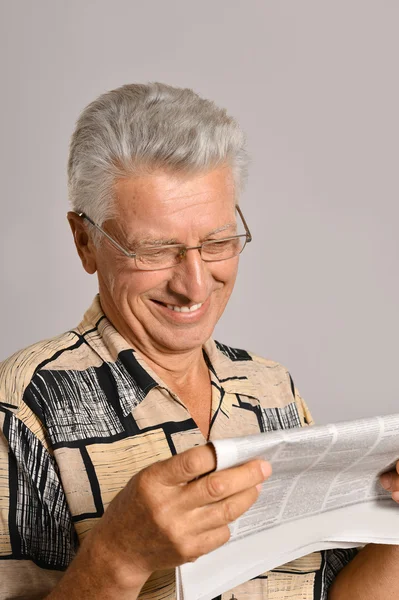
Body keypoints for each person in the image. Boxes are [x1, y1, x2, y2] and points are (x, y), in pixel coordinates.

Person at [0, 83, 398, 600]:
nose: (193, 283)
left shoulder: (270, 387)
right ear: (85, 241)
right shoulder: (21, 409)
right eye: (156, 249)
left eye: (217, 242)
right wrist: (117, 555)